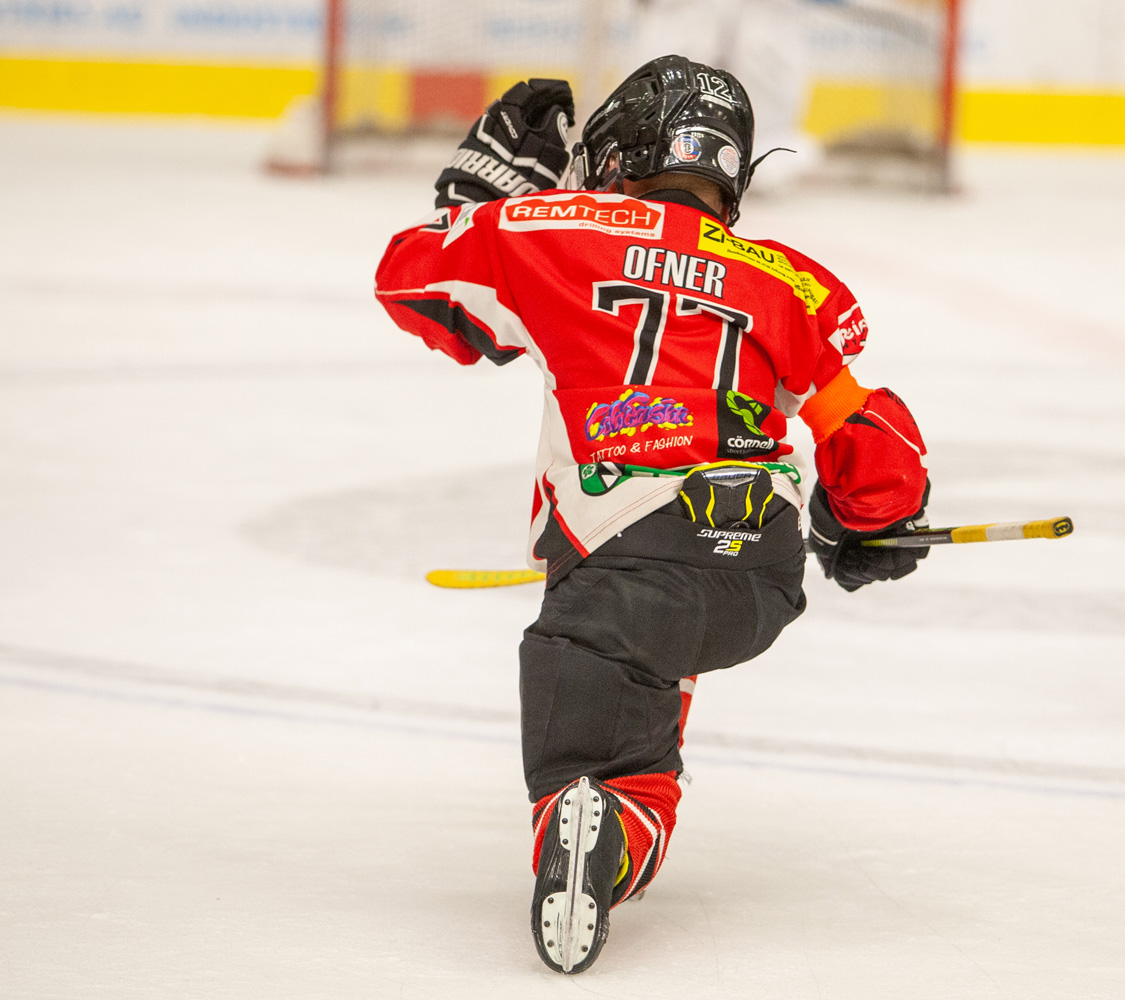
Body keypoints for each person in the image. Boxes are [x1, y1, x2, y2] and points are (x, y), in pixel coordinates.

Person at [374, 56, 929, 974]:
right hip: (758, 566)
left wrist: (478, 199)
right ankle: (613, 812)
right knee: (658, 660)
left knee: (600, 736)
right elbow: (863, 428)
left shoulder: (544, 226)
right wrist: (868, 519)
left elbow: (411, 284)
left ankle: (597, 816)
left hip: (622, 545)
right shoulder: (784, 275)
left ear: (619, 150)